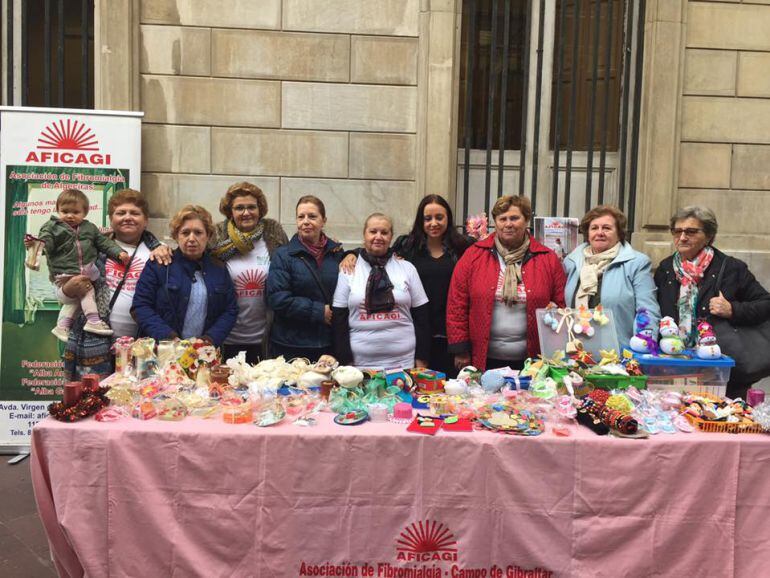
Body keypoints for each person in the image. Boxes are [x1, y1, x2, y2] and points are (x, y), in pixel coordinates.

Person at [340, 194, 472, 376]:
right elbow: (379, 249)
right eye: (428, 218)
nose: (434, 223)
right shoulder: (408, 245)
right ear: (421, 221)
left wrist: (461, 343)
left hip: (451, 334)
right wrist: (351, 254)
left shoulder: (463, 247)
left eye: (439, 217)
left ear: (448, 218)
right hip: (420, 335)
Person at [655, 206, 770, 398]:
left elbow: (766, 303)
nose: (682, 237)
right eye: (677, 231)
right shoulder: (666, 268)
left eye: (691, 232)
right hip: (674, 365)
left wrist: (732, 309)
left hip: (720, 370)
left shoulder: (732, 268)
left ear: (709, 236)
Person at [447, 195, 566, 371]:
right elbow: (457, 305)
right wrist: (460, 349)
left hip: (533, 361)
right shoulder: (474, 256)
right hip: (483, 358)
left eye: (514, 218)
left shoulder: (547, 259)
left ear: (526, 220)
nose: (508, 224)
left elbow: (561, 305)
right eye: (502, 219)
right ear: (495, 222)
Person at [63, 189, 171, 379]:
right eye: (121, 213)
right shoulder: (91, 247)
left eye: (135, 213)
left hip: (141, 344)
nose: (127, 217)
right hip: (91, 341)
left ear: (146, 220)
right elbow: (63, 295)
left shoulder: (158, 253)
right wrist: (67, 289)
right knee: (93, 400)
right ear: (111, 219)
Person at [332, 213, 430, 370]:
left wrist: (422, 358)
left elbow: (422, 317)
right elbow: (339, 320)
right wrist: (346, 361)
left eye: (384, 232)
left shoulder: (407, 268)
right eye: (373, 231)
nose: (378, 237)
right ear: (364, 234)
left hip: (403, 363)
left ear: (391, 237)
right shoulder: (348, 270)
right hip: (360, 366)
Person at [28, 188, 129, 342]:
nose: (69, 215)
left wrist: (119, 253)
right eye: (65, 211)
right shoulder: (52, 227)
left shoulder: (90, 228)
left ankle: (62, 326)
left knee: (76, 301)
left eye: (75, 212)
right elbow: (46, 243)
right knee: (86, 291)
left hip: (87, 271)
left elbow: (104, 243)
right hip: (64, 273)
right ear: (57, 210)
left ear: (85, 212)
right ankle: (93, 321)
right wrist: (37, 245)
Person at [132, 205, 238, 346]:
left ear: (208, 236)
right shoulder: (159, 265)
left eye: (198, 233)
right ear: (176, 236)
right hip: (162, 351)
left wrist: (209, 340)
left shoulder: (219, 268)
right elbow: (140, 306)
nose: (191, 238)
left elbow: (230, 310)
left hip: (204, 353)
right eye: (185, 233)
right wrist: (169, 338)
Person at [210, 182, 288, 363]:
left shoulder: (273, 235)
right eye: (239, 208)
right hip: (225, 337)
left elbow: (294, 257)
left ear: (260, 210)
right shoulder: (216, 237)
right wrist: (160, 248)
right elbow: (191, 253)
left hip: (265, 338)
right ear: (230, 212)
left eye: (251, 207)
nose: (246, 213)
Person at [563, 205, 660, 346]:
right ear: (587, 233)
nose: (600, 233)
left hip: (619, 352)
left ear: (619, 234)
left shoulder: (636, 263)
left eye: (607, 228)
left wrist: (643, 345)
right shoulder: (572, 262)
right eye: (594, 228)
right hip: (577, 349)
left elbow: (647, 310)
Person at [266, 195, 344, 360]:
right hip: (291, 345)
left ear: (324, 221)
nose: (306, 221)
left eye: (312, 216)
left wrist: (353, 254)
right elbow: (277, 299)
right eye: (301, 217)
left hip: (328, 344)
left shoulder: (337, 254)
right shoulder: (283, 255)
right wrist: (318, 311)